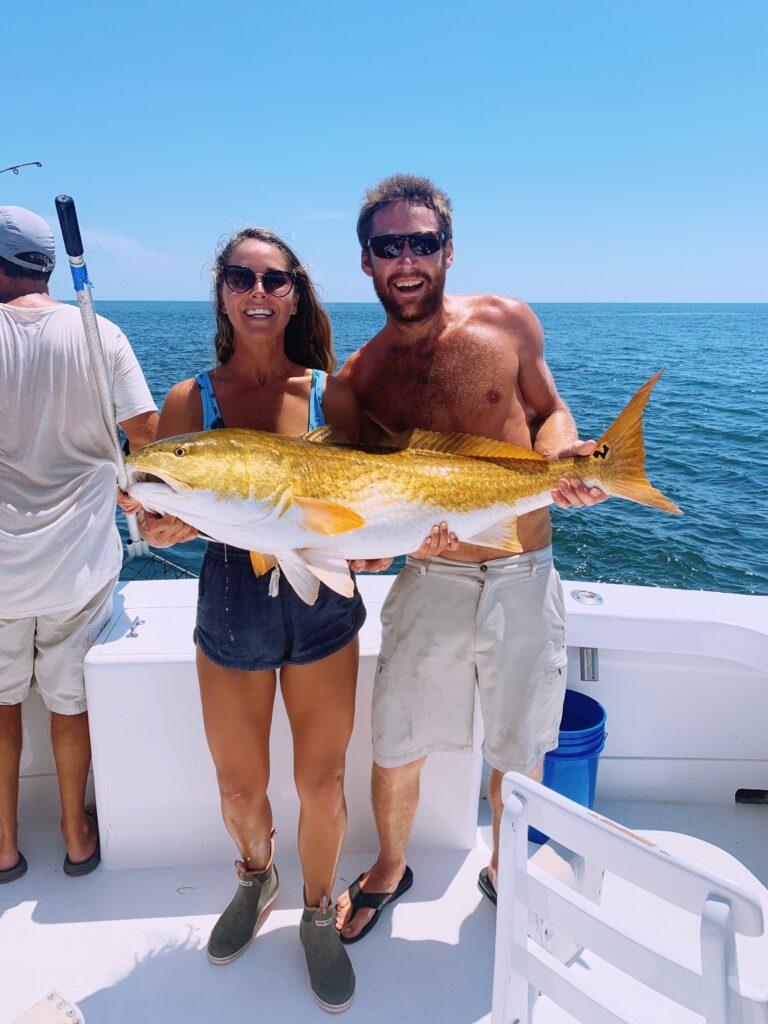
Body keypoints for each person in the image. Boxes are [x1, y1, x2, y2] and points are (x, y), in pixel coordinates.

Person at [335, 175, 607, 942]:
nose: (407, 259)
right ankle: (390, 868)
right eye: (389, 245)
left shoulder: (507, 321)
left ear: (448, 251)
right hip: (434, 574)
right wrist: (367, 555)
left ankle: (503, 868)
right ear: (366, 261)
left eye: (422, 242)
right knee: (397, 741)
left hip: (525, 569)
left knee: (520, 746)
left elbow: (550, 412)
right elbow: (362, 506)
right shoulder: (355, 381)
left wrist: (564, 459)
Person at [127, 228, 363, 1013]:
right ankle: (257, 878)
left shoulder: (333, 394)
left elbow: (366, 502)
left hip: (321, 594)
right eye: (240, 277)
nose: (257, 292)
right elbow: (158, 503)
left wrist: (393, 541)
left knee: (322, 783)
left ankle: (319, 912)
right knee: (239, 787)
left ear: (295, 294)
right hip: (231, 593)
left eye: (274, 279)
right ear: (222, 292)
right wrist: (158, 525)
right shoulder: (189, 400)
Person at [0, 205, 158, 883]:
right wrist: (128, 482)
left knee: (2, 703)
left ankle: (4, 845)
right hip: (78, 567)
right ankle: (75, 834)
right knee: (70, 703)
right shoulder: (101, 334)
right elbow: (147, 435)